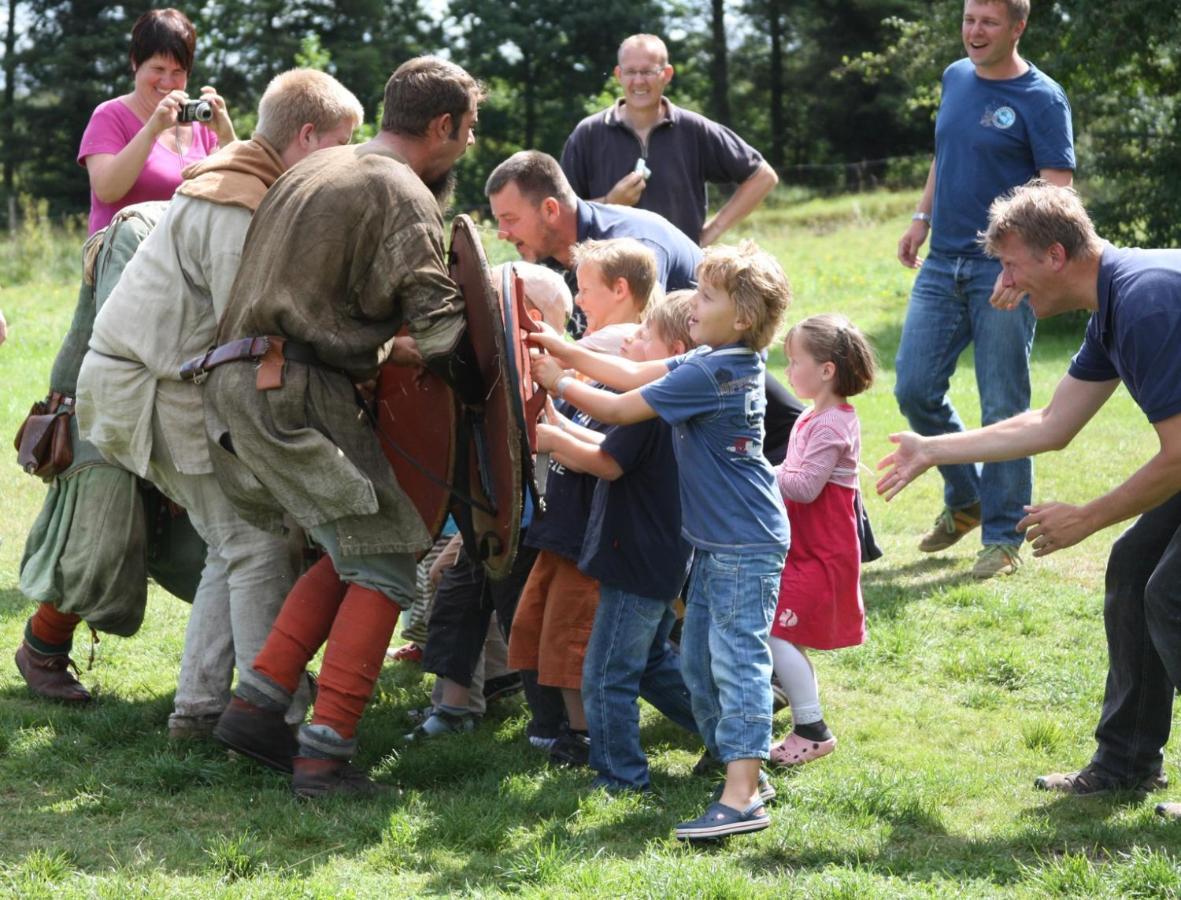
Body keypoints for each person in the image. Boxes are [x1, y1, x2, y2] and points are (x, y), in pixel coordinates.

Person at [200, 56, 485, 799]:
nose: (467, 146)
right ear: (443, 126)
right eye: (468, 131)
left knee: (349, 546)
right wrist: (498, 385)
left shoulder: (314, 168)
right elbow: (446, 331)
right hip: (296, 389)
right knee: (390, 559)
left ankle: (257, 709)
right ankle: (325, 757)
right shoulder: (401, 192)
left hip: (244, 381)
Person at [75, 69, 364, 739]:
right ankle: (275, 717)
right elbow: (252, 328)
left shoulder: (246, 182)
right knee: (255, 544)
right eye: (340, 142)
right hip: (152, 388)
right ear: (305, 135)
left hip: (156, 380)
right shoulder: (235, 203)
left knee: (232, 547)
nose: (346, 156)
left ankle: (199, 712)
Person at [877, 181, 1181, 811]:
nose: (1006, 283)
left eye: (1012, 264)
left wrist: (1089, 516)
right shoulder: (1113, 308)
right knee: (1135, 569)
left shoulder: (1146, 303)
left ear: (1056, 257)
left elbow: (1180, 455)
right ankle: (1125, 764)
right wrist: (934, 449)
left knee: (1171, 593)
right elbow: (1050, 424)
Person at [528, 240, 790, 841]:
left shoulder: (715, 371)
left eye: (707, 295)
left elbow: (621, 409)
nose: (692, 303)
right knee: (697, 665)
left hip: (743, 545)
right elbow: (629, 371)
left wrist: (558, 382)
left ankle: (744, 793)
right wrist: (565, 349)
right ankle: (741, 767)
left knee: (736, 666)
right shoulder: (710, 361)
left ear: (743, 317)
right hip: (717, 544)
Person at [892, 0, 1075, 578]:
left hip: (1004, 273)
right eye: (970, 19)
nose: (975, 31)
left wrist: (1021, 268)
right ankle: (965, 495)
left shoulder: (1043, 99)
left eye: (989, 22)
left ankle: (1002, 538)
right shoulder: (955, 77)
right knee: (914, 386)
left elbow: (1058, 193)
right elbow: (944, 155)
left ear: (1017, 28)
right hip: (942, 261)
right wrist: (921, 217)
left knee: (1003, 404)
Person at [14, 202, 209, 706]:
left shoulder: (221, 230)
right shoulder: (135, 232)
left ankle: (268, 672)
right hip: (98, 407)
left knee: (208, 543)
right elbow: (127, 335)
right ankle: (42, 650)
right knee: (94, 545)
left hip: (172, 402)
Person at [534, 291, 700, 793]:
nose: (633, 336)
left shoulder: (650, 408)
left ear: (671, 348)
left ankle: (620, 777)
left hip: (639, 556)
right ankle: (731, 736)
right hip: (653, 553)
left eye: (645, 334)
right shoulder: (660, 399)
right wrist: (558, 422)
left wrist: (556, 439)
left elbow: (607, 463)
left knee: (606, 675)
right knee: (648, 663)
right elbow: (607, 447)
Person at [507, 238, 656, 767]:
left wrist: (557, 417)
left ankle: (584, 734)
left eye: (585, 289)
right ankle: (552, 724)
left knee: (571, 639)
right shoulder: (601, 405)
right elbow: (581, 429)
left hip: (588, 541)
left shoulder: (628, 408)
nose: (579, 302)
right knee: (535, 626)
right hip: (562, 535)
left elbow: (606, 459)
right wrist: (551, 415)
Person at [768, 314, 876, 768]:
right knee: (782, 632)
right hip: (805, 545)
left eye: (795, 362)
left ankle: (812, 728)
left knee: (775, 631)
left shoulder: (831, 425)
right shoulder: (816, 417)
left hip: (822, 550)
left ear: (827, 369)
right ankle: (793, 705)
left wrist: (757, 472)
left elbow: (806, 486)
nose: (788, 371)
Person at [561, 33, 778, 246]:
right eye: (630, 72)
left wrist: (710, 233)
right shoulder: (588, 134)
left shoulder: (694, 129)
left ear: (666, 74)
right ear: (618, 74)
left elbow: (762, 177)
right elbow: (562, 211)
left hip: (681, 275)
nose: (638, 81)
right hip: (607, 277)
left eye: (647, 71)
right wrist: (609, 203)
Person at [486, 150, 700, 336]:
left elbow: (640, 356)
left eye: (511, 219)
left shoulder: (629, 247)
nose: (502, 234)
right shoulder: (544, 256)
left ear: (550, 210)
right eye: (499, 220)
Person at [78, 8, 235, 235]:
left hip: (187, 261)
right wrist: (152, 129)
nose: (167, 81)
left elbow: (231, 191)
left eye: (178, 71)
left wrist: (227, 135)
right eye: (158, 68)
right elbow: (107, 190)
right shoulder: (109, 116)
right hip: (127, 261)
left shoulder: (202, 125)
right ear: (135, 63)